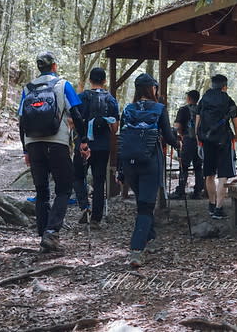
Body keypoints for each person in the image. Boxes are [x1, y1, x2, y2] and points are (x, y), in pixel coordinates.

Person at [18, 51, 90, 253]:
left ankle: (44, 234)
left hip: (33, 144)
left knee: (41, 191)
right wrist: (83, 141)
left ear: (39, 67)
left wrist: (25, 149)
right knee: (64, 189)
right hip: (57, 143)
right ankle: (51, 232)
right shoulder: (62, 85)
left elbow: (22, 120)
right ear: (55, 66)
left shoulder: (28, 88)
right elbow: (76, 113)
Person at [118, 73, 180, 267]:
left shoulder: (128, 109)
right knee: (145, 207)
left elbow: (122, 139)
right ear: (152, 89)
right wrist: (178, 144)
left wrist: (120, 170)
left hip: (129, 164)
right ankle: (136, 250)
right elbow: (169, 137)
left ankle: (150, 239)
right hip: (151, 163)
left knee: (142, 202)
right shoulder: (159, 108)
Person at [73, 67, 119, 229]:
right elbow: (114, 128)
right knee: (99, 181)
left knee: (78, 176)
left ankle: (85, 206)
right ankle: (96, 220)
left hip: (83, 145)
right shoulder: (111, 100)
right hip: (102, 146)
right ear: (104, 81)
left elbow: (72, 122)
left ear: (90, 80)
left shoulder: (81, 97)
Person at [196, 74, 237, 220]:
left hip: (207, 140)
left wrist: (199, 138)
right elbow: (235, 121)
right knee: (223, 176)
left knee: (209, 174)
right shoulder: (228, 100)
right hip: (223, 140)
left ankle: (211, 204)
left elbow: (198, 119)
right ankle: (219, 209)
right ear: (224, 86)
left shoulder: (204, 99)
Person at [171, 90, 204, 200]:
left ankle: (180, 191)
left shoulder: (183, 110)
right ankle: (198, 191)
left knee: (184, 166)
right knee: (198, 167)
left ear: (189, 98)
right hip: (199, 141)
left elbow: (178, 125)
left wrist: (181, 135)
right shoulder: (201, 109)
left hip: (188, 140)